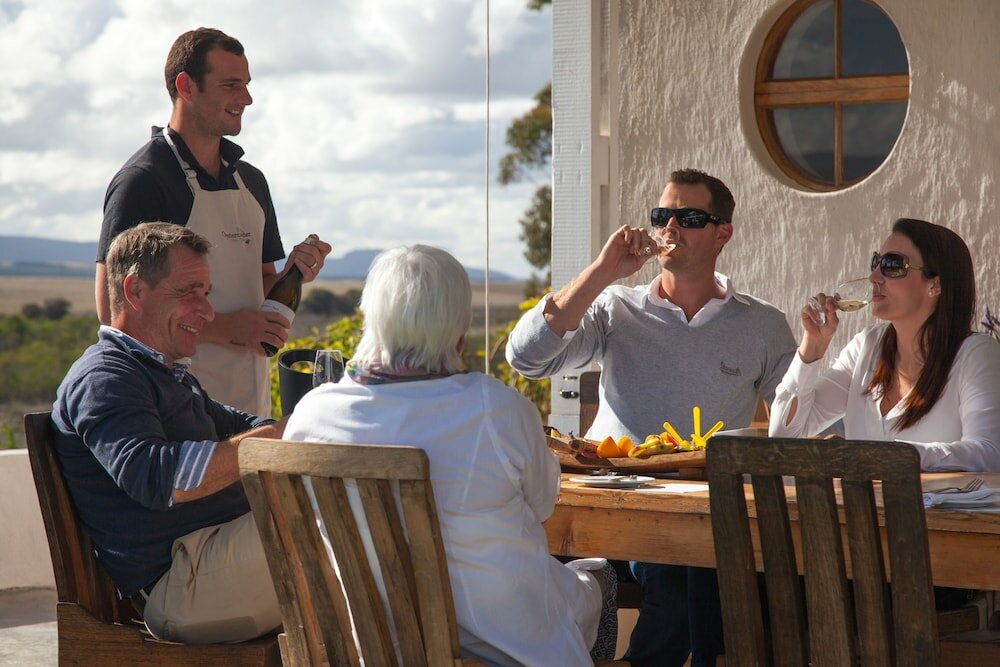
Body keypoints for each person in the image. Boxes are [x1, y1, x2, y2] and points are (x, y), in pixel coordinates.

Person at [505, 168, 797, 667]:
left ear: (723, 232)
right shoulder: (617, 307)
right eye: (662, 215)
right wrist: (601, 272)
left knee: (698, 570)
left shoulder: (762, 324)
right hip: (607, 507)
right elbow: (526, 358)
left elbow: (801, 420)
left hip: (696, 517)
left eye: (688, 217)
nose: (670, 227)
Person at [284, 245, 618, 666]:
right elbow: (542, 507)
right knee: (599, 580)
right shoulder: (494, 409)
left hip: (371, 648)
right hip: (504, 650)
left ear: (370, 318)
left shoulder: (314, 414)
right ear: (459, 330)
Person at [53, 223, 286, 644]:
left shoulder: (167, 375)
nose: (208, 312)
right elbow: (156, 478)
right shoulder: (106, 376)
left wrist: (297, 429)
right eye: (189, 292)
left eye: (207, 294)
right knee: (347, 524)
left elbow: (246, 427)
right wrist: (282, 436)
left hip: (216, 561)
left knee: (360, 518)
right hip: (186, 584)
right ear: (135, 290)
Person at [95, 27, 332, 416]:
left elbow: (263, 284)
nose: (247, 98)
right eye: (231, 85)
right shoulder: (144, 180)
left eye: (247, 85)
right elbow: (112, 310)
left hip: (250, 406)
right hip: (172, 415)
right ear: (186, 86)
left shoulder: (251, 181)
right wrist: (229, 328)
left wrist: (294, 274)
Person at [770, 217, 1000, 469]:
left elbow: (988, 453)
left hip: (933, 510)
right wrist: (812, 347)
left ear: (935, 283)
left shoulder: (975, 355)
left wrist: (889, 456)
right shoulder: (866, 347)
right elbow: (784, 436)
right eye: (876, 262)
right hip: (863, 509)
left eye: (892, 265)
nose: (874, 276)